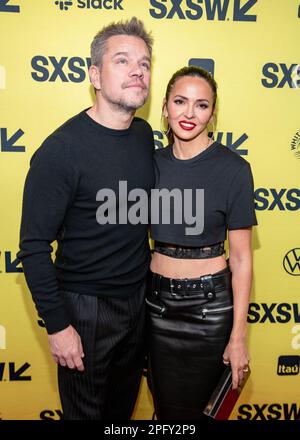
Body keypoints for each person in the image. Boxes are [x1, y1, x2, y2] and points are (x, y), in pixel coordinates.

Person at [17, 17, 154, 420]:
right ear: (94, 74)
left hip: (138, 302)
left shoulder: (145, 135)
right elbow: (34, 247)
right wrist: (59, 327)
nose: (137, 71)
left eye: (145, 64)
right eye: (123, 61)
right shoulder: (61, 150)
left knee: (121, 415)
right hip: (85, 310)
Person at [146, 66, 257, 420]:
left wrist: (238, 338)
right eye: (180, 102)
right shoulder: (148, 165)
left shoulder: (234, 170)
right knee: (166, 413)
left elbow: (241, 260)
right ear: (164, 107)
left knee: (201, 413)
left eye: (202, 105)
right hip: (156, 306)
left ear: (212, 113)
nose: (190, 114)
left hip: (209, 310)